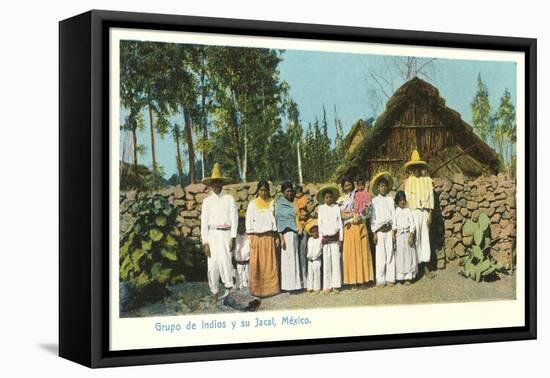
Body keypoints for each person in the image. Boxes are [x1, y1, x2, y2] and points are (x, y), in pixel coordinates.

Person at [200, 163, 238, 302]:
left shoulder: (229, 199)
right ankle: (214, 291)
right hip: (212, 235)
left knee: (226, 262)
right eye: (214, 183)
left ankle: (229, 290)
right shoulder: (207, 202)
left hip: (225, 234)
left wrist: (233, 237)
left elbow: (234, 219)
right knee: (212, 264)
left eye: (218, 182)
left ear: (222, 184)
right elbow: (204, 223)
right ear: (210, 185)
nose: (216, 185)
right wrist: (205, 242)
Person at [403, 149, 437, 279]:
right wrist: (408, 217)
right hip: (413, 212)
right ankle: (416, 269)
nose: (416, 170)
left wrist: (430, 214)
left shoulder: (427, 180)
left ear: (421, 168)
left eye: (418, 167)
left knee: (425, 239)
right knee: (414, 238)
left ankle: (426, 267)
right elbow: (406, 200)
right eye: (414, 168)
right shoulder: (408, 181)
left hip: (424, 212)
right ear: (411, 169)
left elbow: (431, 199)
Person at [245, 180, 280, 298]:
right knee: (257, 264)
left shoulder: (272, 203)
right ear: (258, 191)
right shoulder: (252, 204)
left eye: (266, 190)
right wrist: (251, 238)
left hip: (269, 236)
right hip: (257, 237)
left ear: (269, 191)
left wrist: (276, 236)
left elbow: (275, 220)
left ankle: (271, 290)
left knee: (270, 264)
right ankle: (257, 290)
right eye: (261, 190)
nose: (264, 193)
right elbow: (248, 221)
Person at [338, 176, 374, 287]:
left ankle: (364, 279)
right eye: (345, 185)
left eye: (349, 185)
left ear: (353, 185)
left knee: (361, 252)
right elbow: (340, 214)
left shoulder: (360, 194)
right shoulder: (341, 199)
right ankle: (353, 281)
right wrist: (350, 217)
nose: (348, 187)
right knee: (351, 254)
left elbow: (368, 209)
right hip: (349, 227)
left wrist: (361, 216)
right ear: (343, 187)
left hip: (360, 224)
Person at [275, 181, 303, 292]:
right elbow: (279, 221)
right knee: (286, 261)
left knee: (295, 258)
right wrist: (281, 237)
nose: (290, 193)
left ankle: (296, 284)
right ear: (283, 192)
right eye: (287, 191)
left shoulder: (294, 203)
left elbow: (297, 217)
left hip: (294, 233)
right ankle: (287, 286)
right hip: (285, 235)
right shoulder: (280, 204)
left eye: (291, 191)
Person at [370, 172, 396, 287]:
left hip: (389, 229)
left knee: (390, 254)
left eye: (385, 186)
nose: (383, 188)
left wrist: (394, 230)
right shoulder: (374, 201)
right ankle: (380, 279)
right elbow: (373, 219)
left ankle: (390, 278)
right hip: (379, 230)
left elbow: (394, 215)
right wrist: (374, 232)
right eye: (381, 186)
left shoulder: (391, 200)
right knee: (380, 256)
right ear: (377, 188)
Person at [317, 185, 343, 294]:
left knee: (336, 262)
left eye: (330, 197)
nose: (329, 199)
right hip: (325, 238)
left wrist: (341, 238)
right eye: (326, 197)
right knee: (327, 262)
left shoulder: (336, 208)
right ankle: (327, 285)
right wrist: (320, 240)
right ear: (323, 199)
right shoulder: (321, 209)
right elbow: (320, 224)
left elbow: (340, 223)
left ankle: (336, 285)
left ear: (333, 198)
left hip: (335, 238)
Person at [392, 191, 418, 285]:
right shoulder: (395, 211)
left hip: (407, 235)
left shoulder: (408, 210)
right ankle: (401, 276)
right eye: (400, 200)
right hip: (399, 236)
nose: (402, 202)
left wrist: (411, 235)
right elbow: (394, 224)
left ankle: (408, 276)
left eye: (403, 200)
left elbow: (412, 223)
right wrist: (393, 234)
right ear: (397, 201)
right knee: (400, 255)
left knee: (408, 255)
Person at [294, 185, 310, 286]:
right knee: (298, 253)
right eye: (297, 192)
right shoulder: (294, 201)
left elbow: (305, 213)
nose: (298, 194)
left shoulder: (304, 200)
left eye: (300, 192)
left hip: (304, 227)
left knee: (304, 252)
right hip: (297, 227)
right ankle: (300, 277)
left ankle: (305, 277)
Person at [304, 219, 322, 293]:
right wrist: (309, 257)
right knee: (310, 274)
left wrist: (315, 257)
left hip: (316, 259)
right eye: (313, 232)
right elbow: (309, 249)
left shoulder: (320, 239)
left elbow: (319, 250)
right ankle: (310, 287)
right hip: (310, 259)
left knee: (317, 274)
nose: (314, 233)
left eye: (316, 231)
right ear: (311, 233)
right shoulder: (310, 239)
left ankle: (317, 288)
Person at [233, 210, 250, 290]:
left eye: (243, 224)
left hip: (247, 265)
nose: (241, 226)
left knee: (247, 285)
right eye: (239, 224)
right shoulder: (234, 237)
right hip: (237, 265)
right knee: (237, 286)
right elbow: (233, 253)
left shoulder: (249, 236)